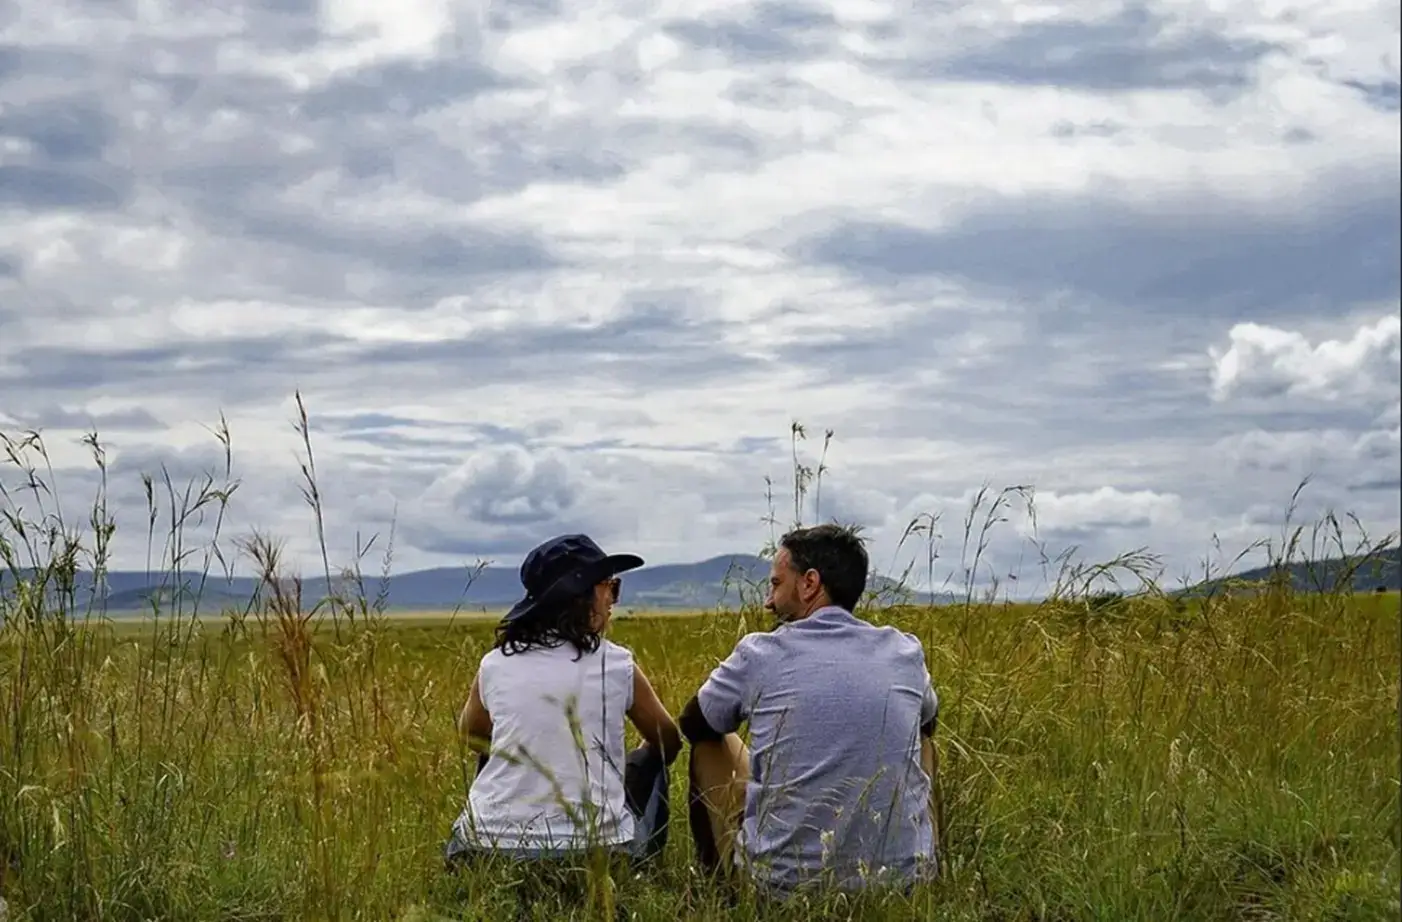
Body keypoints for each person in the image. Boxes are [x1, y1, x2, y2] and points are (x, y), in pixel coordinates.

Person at [678, 523, 943, 899]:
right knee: (924, 741)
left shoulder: (760, 653)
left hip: (783, 887)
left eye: (775, 584)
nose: (768, 601)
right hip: (899, 888)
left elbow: (694, 723)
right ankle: (924, 864)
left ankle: (722, 894)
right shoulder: (904, 652)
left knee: (709, 742)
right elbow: (928, 723)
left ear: (809, 584)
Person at [445, 534, 683, 870]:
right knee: (653, 759)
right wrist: (629, 766)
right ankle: (645, 872)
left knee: (493, 750)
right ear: (584, 596)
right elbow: (668, 741)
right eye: (610, 588)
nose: (613, 599)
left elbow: (471, 736)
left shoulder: (494, 663)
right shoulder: (615, 663)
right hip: (597, 854)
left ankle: (496, 823)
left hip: (483, 852)